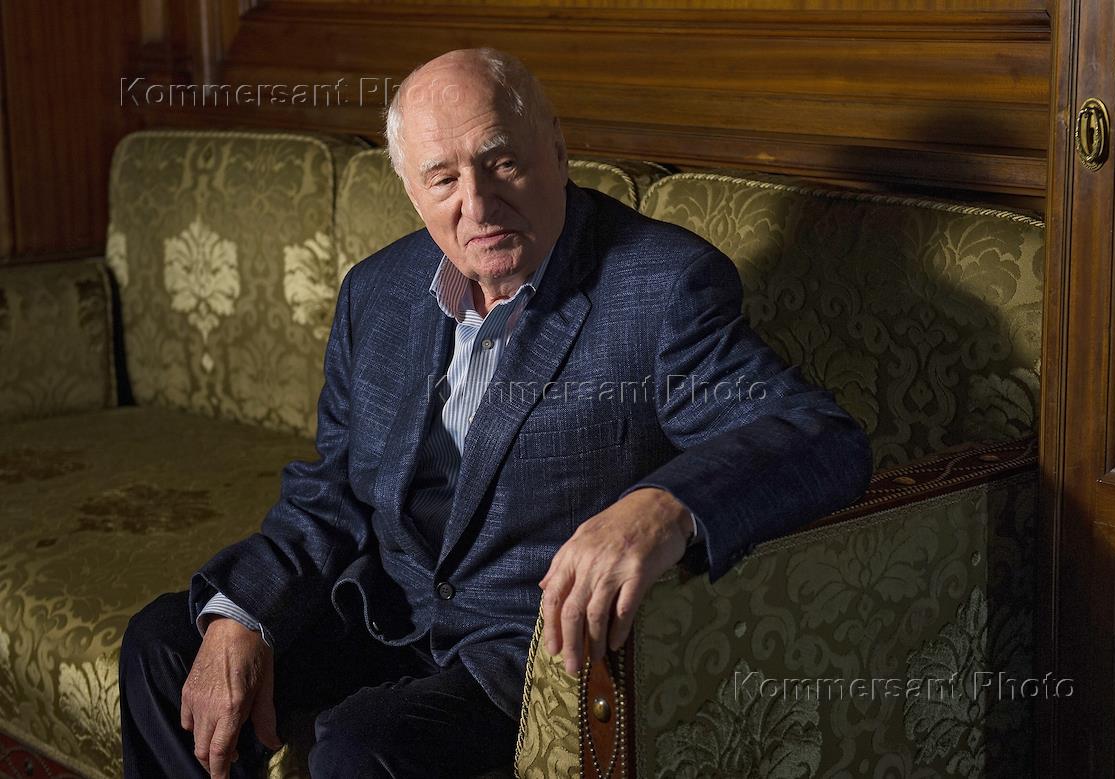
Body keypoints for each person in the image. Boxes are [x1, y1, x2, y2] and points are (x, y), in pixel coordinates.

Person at [118, 47, 872, 778]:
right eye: (443, 178)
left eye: (503, 162)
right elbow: (333, 489)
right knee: (164, 644)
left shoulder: (661, 286)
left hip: (522, 647)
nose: (476, 205)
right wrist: (244, 614)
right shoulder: (375, 292)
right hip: (386, 608)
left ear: (557, 151)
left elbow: (818, 435)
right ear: (411, 190)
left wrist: (662, 505)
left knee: (360, 745)